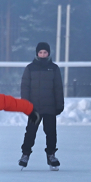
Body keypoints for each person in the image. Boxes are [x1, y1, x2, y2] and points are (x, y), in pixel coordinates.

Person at [19, 42, 64, 170]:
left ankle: (51, 155)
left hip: (50, 107)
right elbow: (25, 87)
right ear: (37, 53)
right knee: (30, 132)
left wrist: (59, 104)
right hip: (35, 108)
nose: (43, 55)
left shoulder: (54, 68)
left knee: (51, 133)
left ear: (48, 53)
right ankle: (25, 154)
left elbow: (58, 88)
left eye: (45, 52)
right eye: (40, 52)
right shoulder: (30, 68)